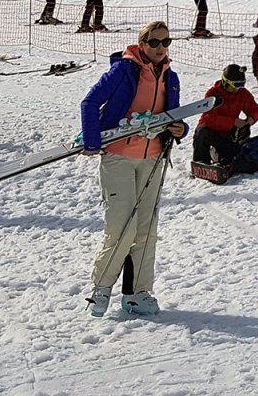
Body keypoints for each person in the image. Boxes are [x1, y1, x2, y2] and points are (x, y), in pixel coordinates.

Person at [80, 21, 188, 317]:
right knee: (121, 228)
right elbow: (89, 103)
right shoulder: (123, 71)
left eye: (165, 42)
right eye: (153, 42)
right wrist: (91, 139)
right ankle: (101, 288)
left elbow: (174, 118)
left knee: (146, 230)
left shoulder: (171, 77)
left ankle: (138, 294)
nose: (160, 48)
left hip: (153, 158)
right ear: (142, 43)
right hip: (118, 156)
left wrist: (180, 129)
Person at [191, 64, 258, 171]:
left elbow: (254, 109)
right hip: (211, 132)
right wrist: (232, 121)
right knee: (202, 131)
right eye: (234, 85)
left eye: (240, 85)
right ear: (225, 82)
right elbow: (208, 118)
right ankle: (200, 163)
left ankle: (225, 161)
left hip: (228, 136)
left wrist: (251, 118)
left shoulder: (241, 93)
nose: (236, 89)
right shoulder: (213, 93)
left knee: (232, 155)